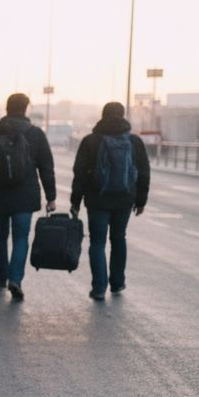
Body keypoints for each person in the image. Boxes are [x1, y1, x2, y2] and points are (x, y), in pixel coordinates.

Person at [0, 93, 56, 302]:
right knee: (21, 238)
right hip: (24, 196)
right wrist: (51, 196)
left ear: (6, 108)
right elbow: (46, 167)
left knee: (0, 236)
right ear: (26, 109)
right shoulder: (36, 134)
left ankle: (0, 278)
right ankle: (15, 279)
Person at [70, 101, 151, 300]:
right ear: (123, 115)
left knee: (97, 242)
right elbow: (144, 172)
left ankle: (99, 287)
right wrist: (141, 200)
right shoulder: (134, 142)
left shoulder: (90, 141)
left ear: (103, 115)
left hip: (97, 199)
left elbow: (79, 173)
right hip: (125, 198)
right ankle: (117, 282)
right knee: (119, 238)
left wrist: (76, 201)